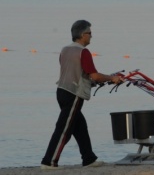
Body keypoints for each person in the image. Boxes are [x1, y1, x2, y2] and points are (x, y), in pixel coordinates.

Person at [41, 20, 123, 170]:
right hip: (73, 95)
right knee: (64, 128)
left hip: (61, 91)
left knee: (80, 126)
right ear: (82, 35)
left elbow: (76, 73)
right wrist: (112, 78)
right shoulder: (83, 52)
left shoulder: (64, 50)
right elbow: (95, 76)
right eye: (90, 33)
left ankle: (89, 159)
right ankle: (49, 162)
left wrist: (92, 82)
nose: (91, 36)